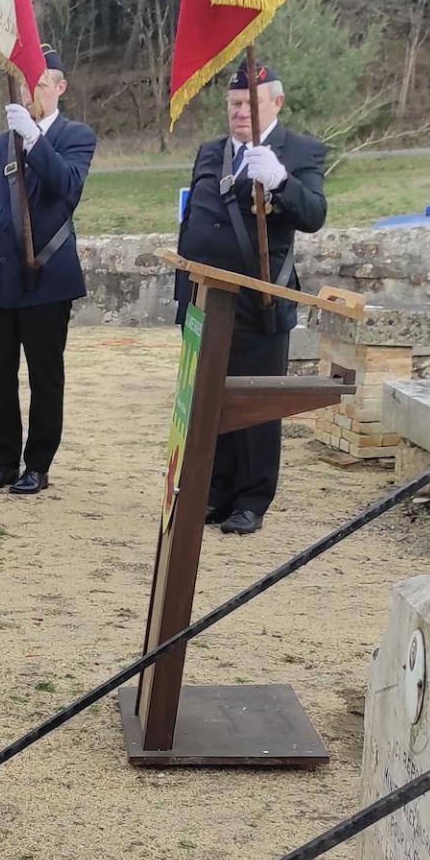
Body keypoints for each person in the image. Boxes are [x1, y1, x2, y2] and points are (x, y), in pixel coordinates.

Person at [173, 62, 328, 535]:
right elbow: (193, 219)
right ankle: (214, 491)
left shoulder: (299, 151)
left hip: (257, 302)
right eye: (234, 104)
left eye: (250, 104)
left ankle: (252, 498)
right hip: (205, 301)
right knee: (208, 401)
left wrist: (282, 182)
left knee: (255, 402)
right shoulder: (212, 151)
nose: (241, 113)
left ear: (275, 104)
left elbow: (315, 214)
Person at [0, 48, 96, 496]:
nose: (30, 91)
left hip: (46, 276)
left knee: (44, 374)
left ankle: (37, 463)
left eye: (40, 83)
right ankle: (4, 458)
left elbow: (68, 187)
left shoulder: (76, 136)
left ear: (60, 88)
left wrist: (36, 143)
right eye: (25, 83)